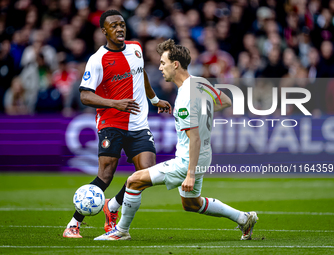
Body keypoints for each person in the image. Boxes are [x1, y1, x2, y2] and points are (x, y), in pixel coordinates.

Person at [94, 39, 258, 241]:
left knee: (134, 181)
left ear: (176, 64)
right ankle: (244, 218)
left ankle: (120, 232)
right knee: (191, 204)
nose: (160, 68)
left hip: (188, 159)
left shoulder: (184, 99)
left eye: (163, 63)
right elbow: (225, 101)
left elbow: (194, 138)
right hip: (204, 155)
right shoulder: (200, 83)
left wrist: (189, 174)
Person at [63, 10, 171, 238]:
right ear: (104, 31)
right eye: (114, 26)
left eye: (122, 24)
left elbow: (142, 76)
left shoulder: (136, 49)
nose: (120, 28)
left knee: (147, 172)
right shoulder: (97, 59)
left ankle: (111, 206)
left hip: (139, 123)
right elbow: (85, 95)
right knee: (106, 175)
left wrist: (154, 100)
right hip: (111, 122)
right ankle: (73, 224)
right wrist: (115, 104)